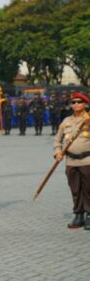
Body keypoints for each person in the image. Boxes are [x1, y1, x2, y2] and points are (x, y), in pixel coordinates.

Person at [54, 92, 90, 229]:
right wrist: (58, 152)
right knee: (75, 189)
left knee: (88, 189)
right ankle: (78, 213)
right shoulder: (66, 121)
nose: (75, 104)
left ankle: (89, 214)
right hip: (71, 161)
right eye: (73, 102)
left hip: (87, 160)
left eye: (79, 102)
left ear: (85, 104)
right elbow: (57, 139)